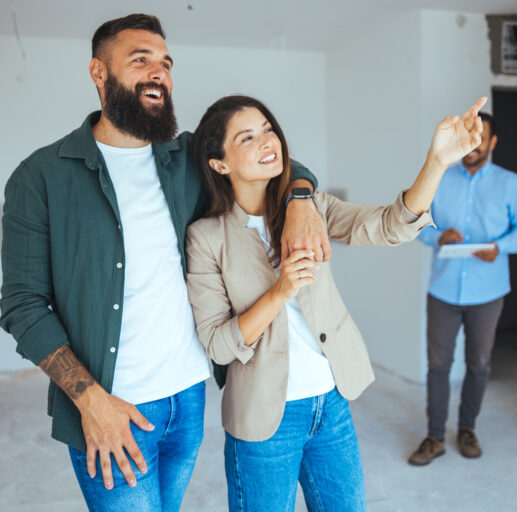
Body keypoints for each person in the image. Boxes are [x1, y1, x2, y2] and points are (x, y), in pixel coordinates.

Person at [0, 14, 329, 512]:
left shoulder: (188, 156)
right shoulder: (41, 176)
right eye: (140, 60)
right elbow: (22, 306)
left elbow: (271, 161)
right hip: (113, 405)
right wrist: (91, 402)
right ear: (98, 73)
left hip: (188, 397)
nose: (158, 72)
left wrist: (301, 199)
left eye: (165, 63)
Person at [185, 94, 487, 511]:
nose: (266, 141)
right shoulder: (206, 237)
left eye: (268, 129)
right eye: (247, 137)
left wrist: (437, 162)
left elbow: (391, 226)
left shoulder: (311, 207)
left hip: (331, 405)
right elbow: (219, 344)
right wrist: (280, 290)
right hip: (263, 419)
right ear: (219, 163)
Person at [409, 111, 517, 466]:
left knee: (479, 364)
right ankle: (435, 437)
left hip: (488, 292)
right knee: (438, 366)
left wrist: (500, 247)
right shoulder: (438, 180)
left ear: (492, 143)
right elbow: (417, 226)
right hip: (444, 291)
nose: (473, 145)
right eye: (469, 137)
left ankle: (467, 429)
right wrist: (439, 236)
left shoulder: (512, 184)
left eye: (481, 138)